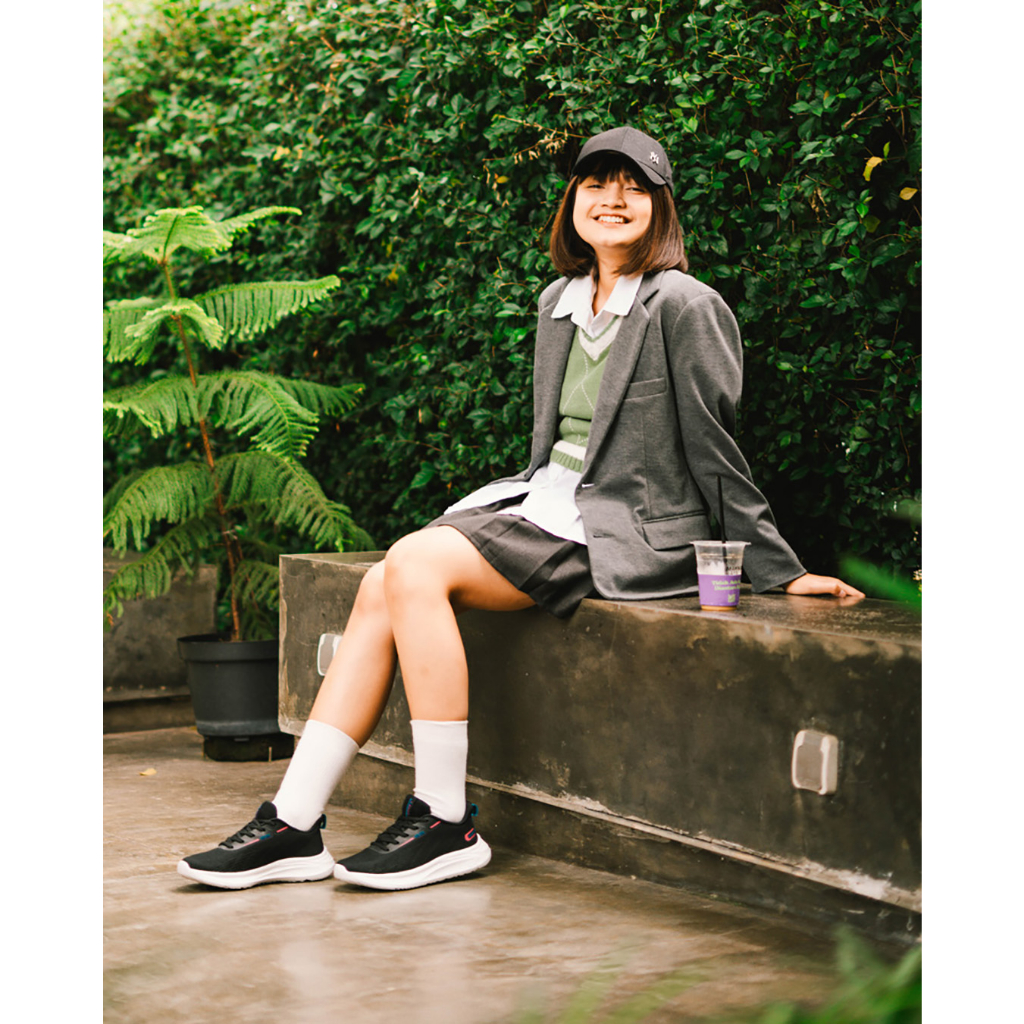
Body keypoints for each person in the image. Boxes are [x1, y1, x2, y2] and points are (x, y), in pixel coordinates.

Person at [177, 126, 865, 892]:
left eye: (633, 187)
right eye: (596, 184)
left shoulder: (685, 305)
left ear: (661, 207)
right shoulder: (558, 302)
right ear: (572, 201)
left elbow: (715, 448)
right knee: (382, 581)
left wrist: (779, 570)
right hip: (544, 502)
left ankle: (444, 821)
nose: (613, 200)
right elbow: (556, 446)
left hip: (624, 527)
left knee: (411, 565)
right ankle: (294, 824)